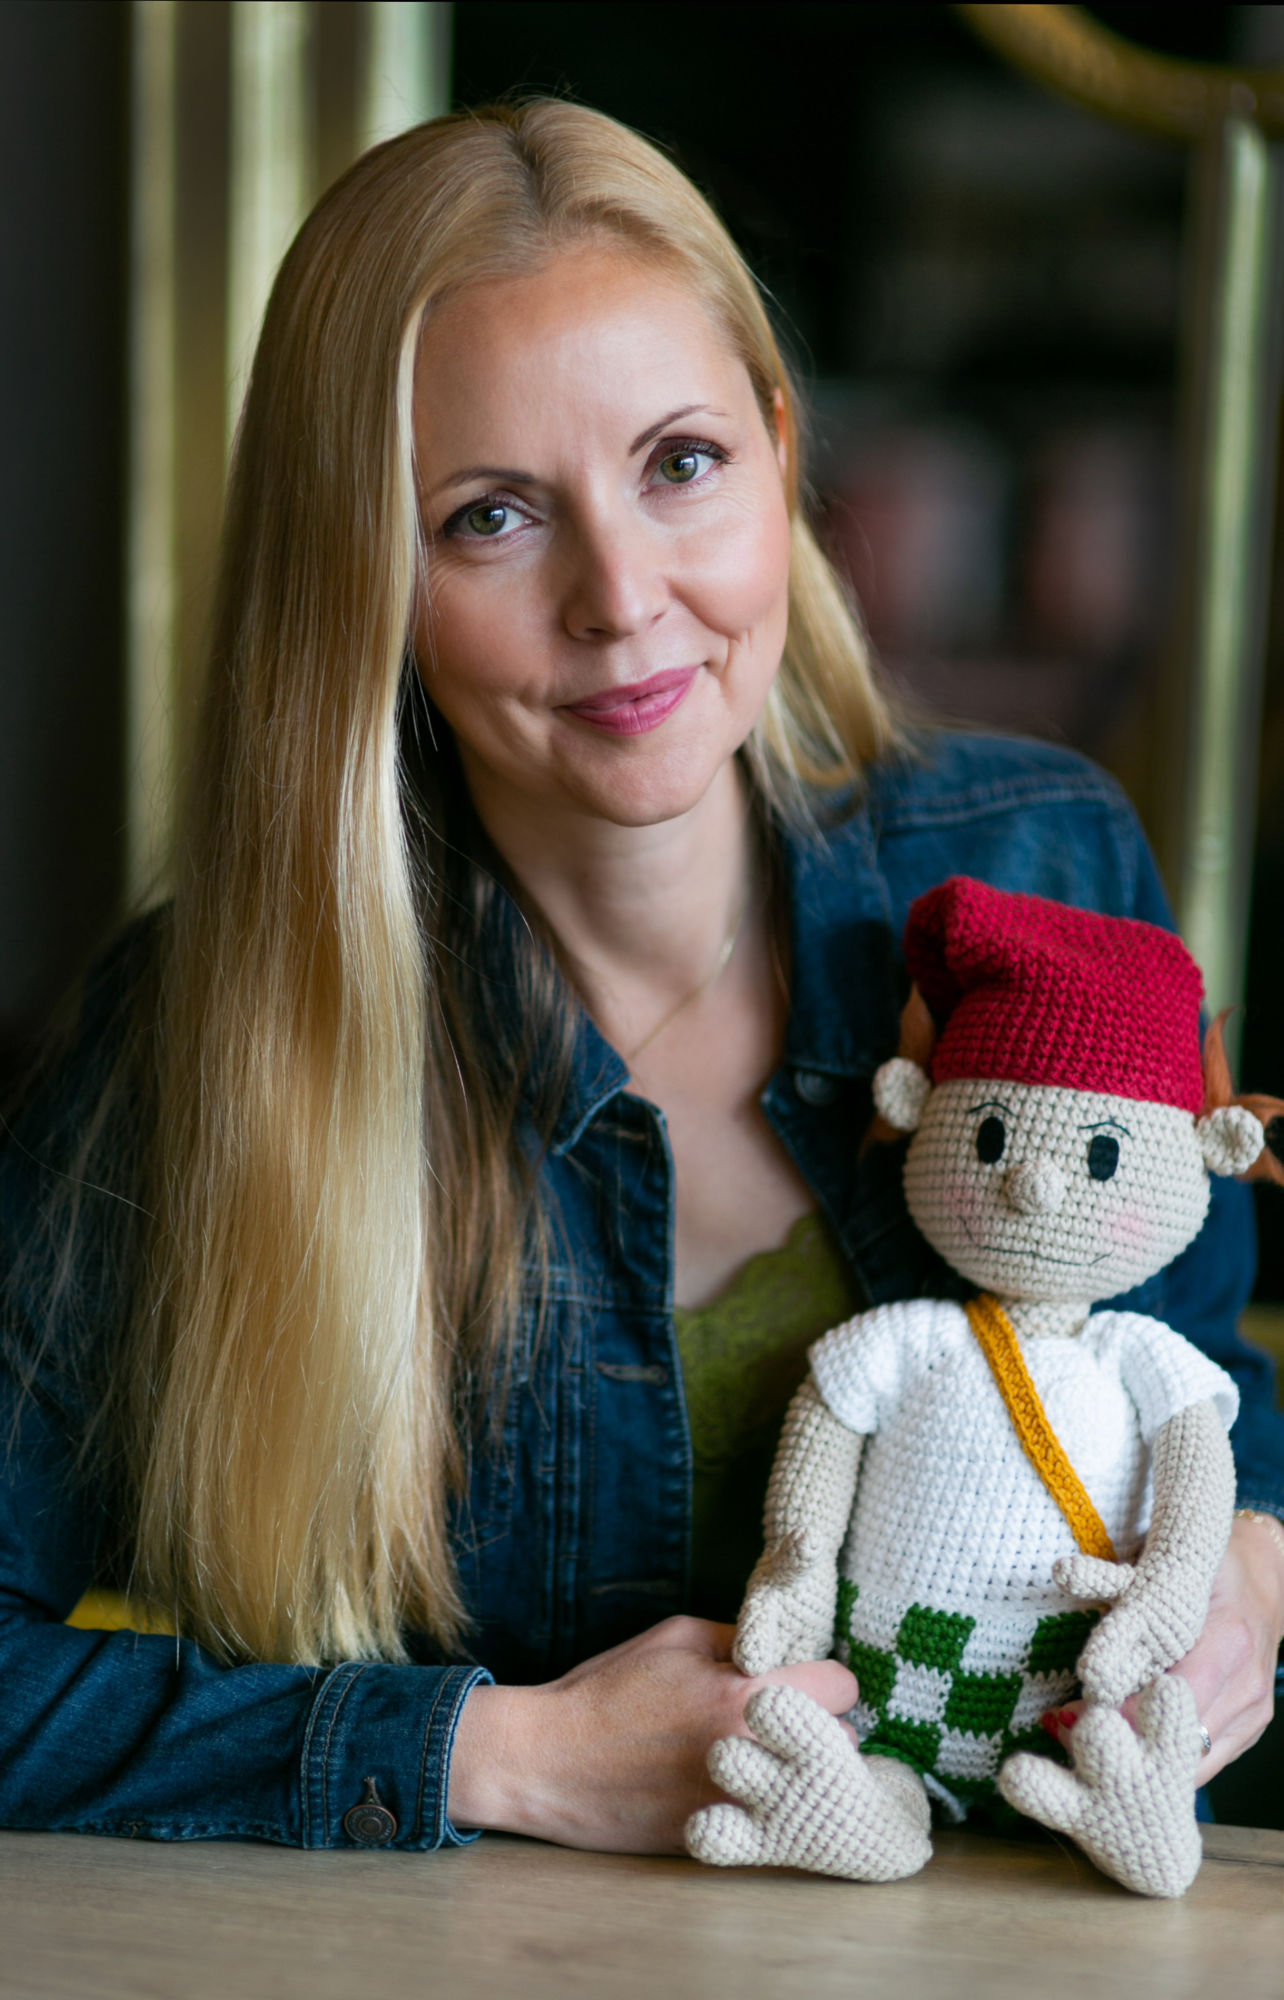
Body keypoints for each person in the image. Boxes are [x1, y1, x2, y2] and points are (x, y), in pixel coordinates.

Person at [1, 100, 1281, 1856]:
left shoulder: (1043, 869)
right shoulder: (194, 1045)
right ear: (363, 580)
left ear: (779, 451)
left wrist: (1252, 1567)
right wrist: (501, 1756)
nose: (620, 597)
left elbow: (1198, 1373)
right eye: (489, 517)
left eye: (680, 464)